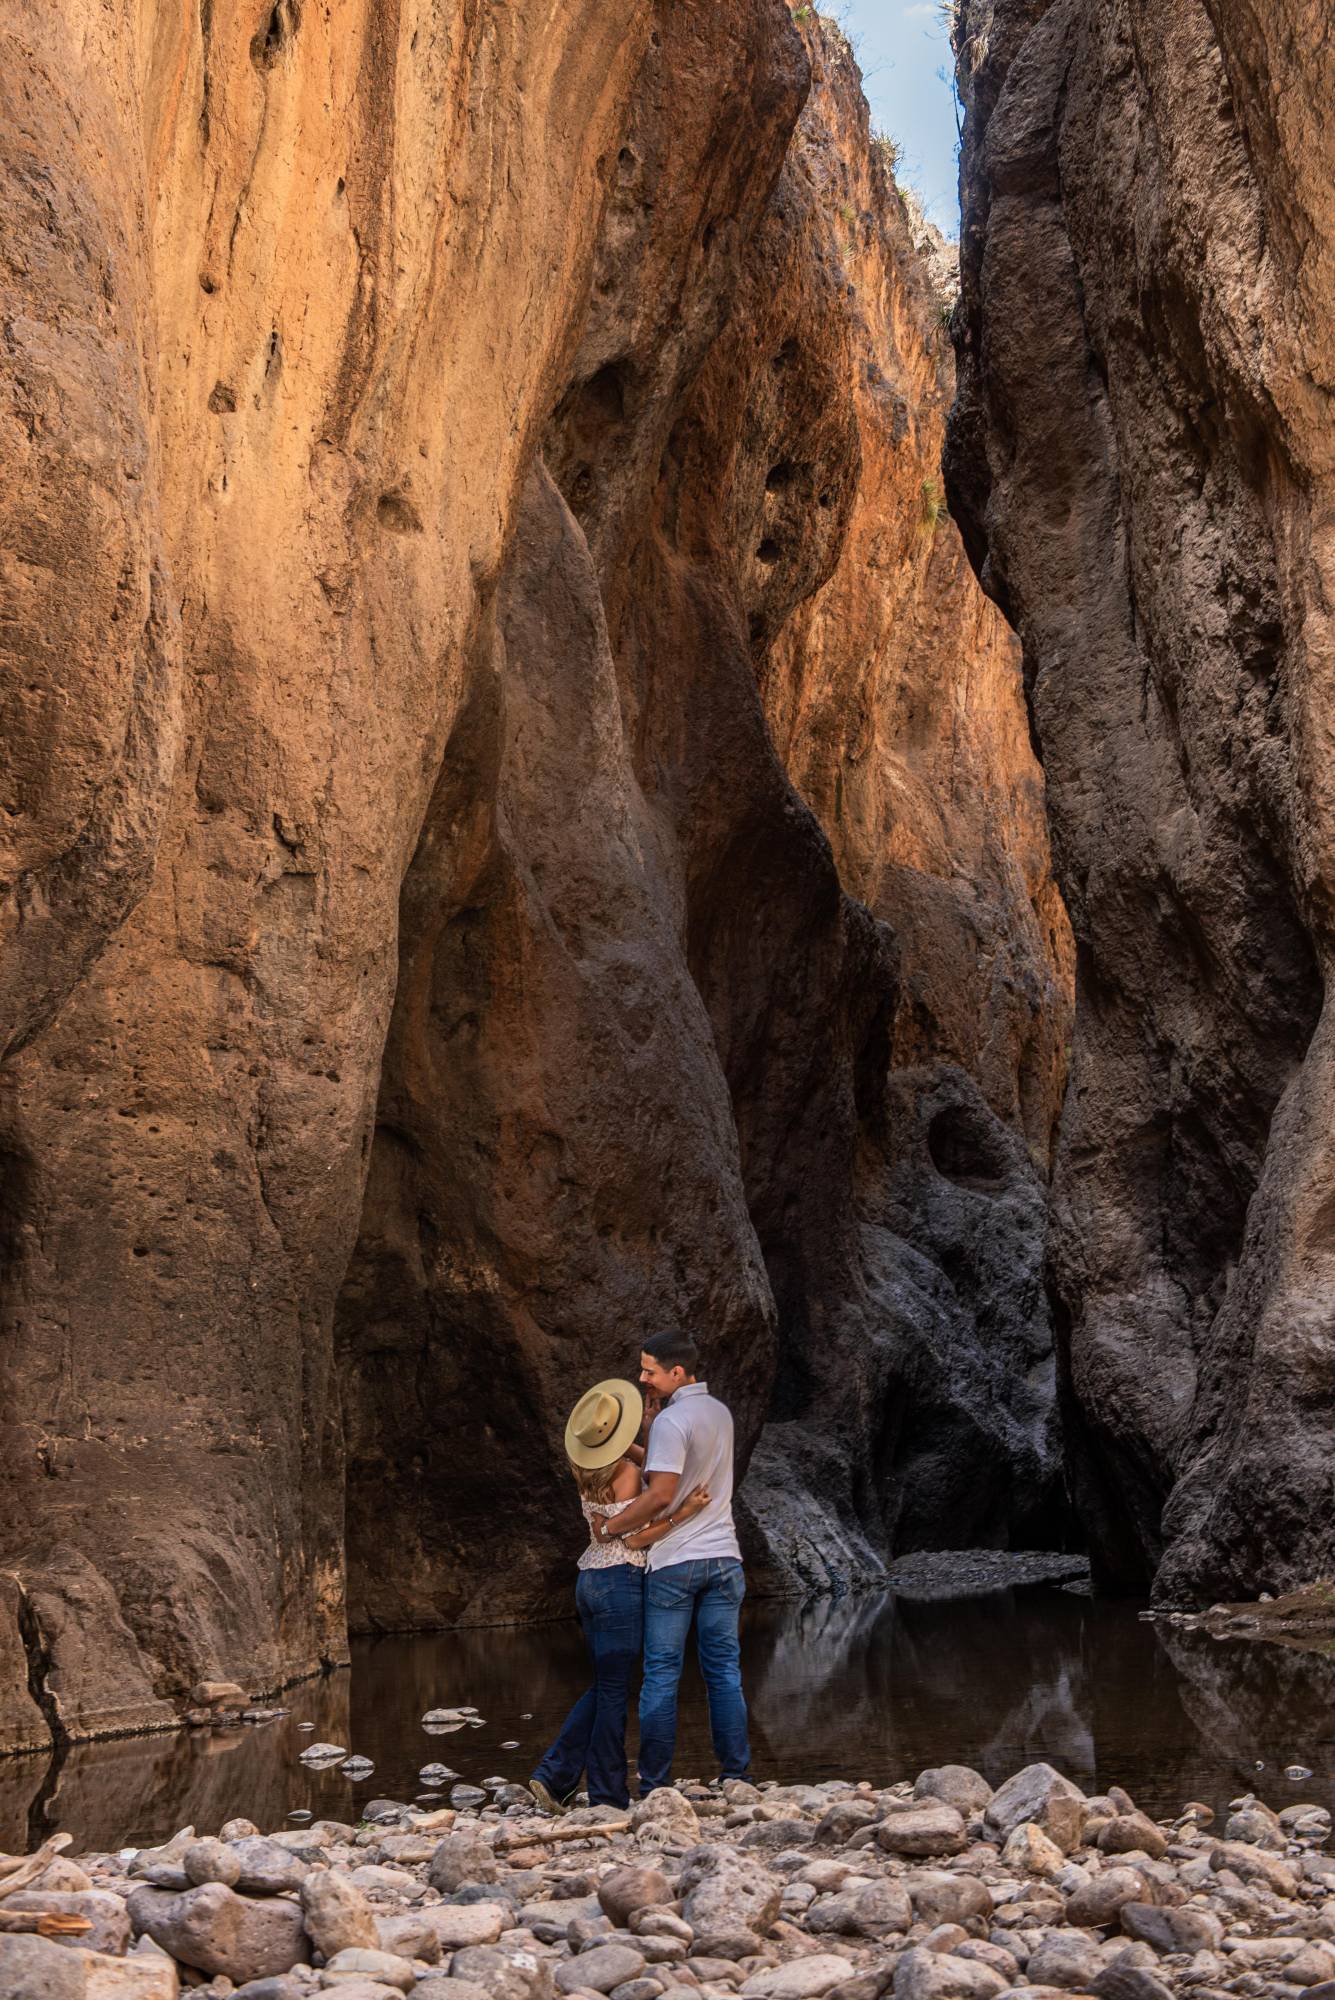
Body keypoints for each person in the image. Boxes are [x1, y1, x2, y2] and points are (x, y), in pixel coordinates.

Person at [529, 1378, 709, 1813]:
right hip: (619, 1580)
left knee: (605, 1685)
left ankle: (559, 1777)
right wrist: (681, 1515)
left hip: (589, 1581)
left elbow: (648, 1470)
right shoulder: (626, 1473)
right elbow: (636, 1534)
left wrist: (643, 1434)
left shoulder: (590, 1470)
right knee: (612, 1691)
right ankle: (602, 1791)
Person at [594, 1331, 750, 1792]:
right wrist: (642, 1439)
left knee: (662, 1673)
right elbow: (680, 1473)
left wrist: (613, 1526)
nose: (643, 1379)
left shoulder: (671, 1420)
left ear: (677, 1372)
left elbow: (662, 1492)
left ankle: (655, 1784)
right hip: (724, 1555)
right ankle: (737, 1774)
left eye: (650, 1371)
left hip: (676, 1562)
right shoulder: (718, 1412)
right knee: (724, 1670)